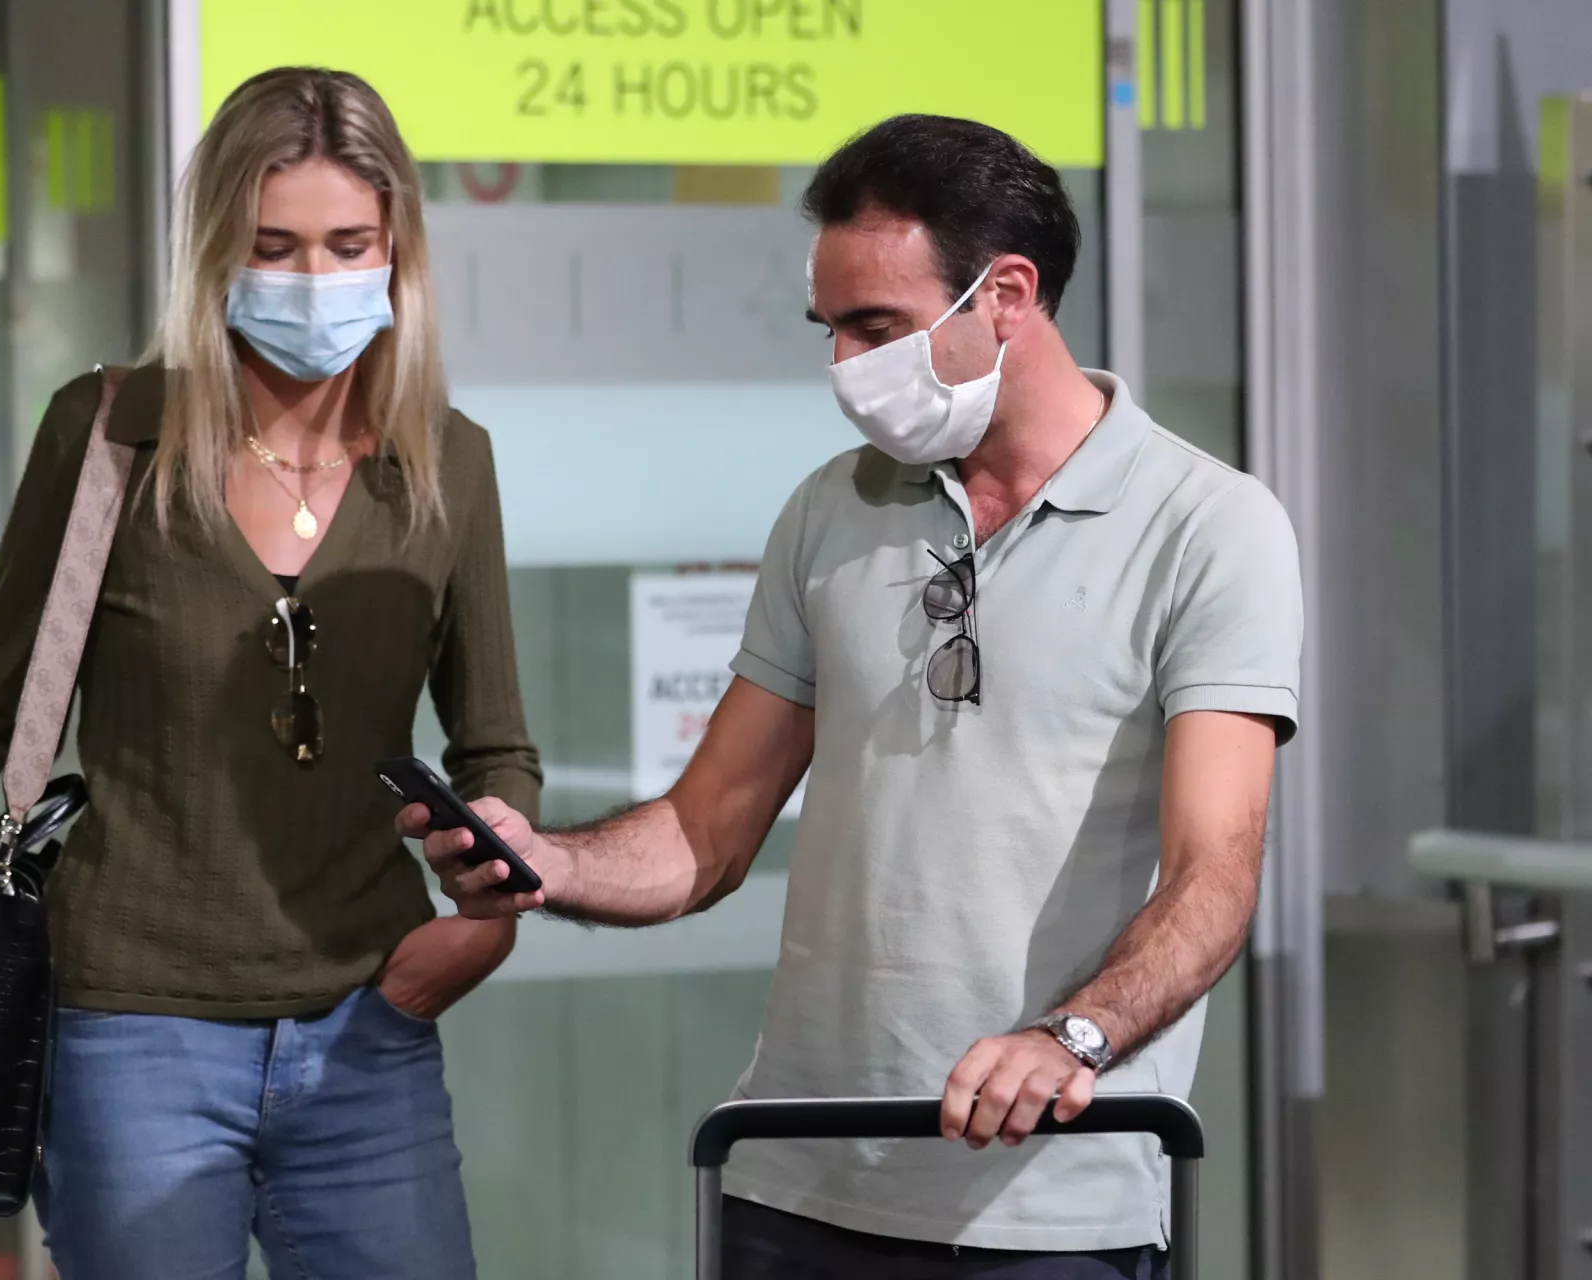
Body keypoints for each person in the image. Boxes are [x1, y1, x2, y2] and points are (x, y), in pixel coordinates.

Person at [413, 115, 1302, 1279]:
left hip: (1051, 1204)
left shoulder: (1209, 527)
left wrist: (1068, 1038)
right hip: (794, 1180)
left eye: (876, 326)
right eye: (830, 329)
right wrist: (549, 862)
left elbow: (1214, 877)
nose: (845, 366)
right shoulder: (829, 511)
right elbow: (705, 831)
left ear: (1009, 293)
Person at [0, 67, 539, 1280]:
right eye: (274, 246)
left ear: (398, 250)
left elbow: (495, 747)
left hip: (372, 1027)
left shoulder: (445, 464)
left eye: (348, 244)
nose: (314, 282)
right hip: (131, 1034)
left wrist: (480, 930)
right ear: (214, 251)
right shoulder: (109, 439)